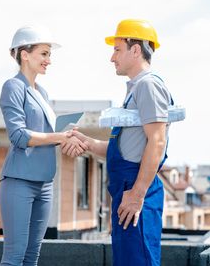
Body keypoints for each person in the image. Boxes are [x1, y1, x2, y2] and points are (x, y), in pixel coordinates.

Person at [63, 19, 172, 266]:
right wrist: (88, 142)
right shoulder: (136, 89)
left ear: (136, 50)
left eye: (117, 49)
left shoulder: (148, 85)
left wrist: (136, 194)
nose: (112, 58)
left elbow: (157, 141)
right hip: (128, 188)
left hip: (135, 190)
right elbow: (124, 149)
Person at [0, 25, 87, 266]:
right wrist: (59, 136)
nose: (49, 60)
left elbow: (46, 135)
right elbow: (18, 135)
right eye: (44, 53)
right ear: (24, 54)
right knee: (14, 257)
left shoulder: (43, 93)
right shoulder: (13, 87)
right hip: (19, 181)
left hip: (44, 184)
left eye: (50, 54)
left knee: (32, 256)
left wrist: (67, 136)